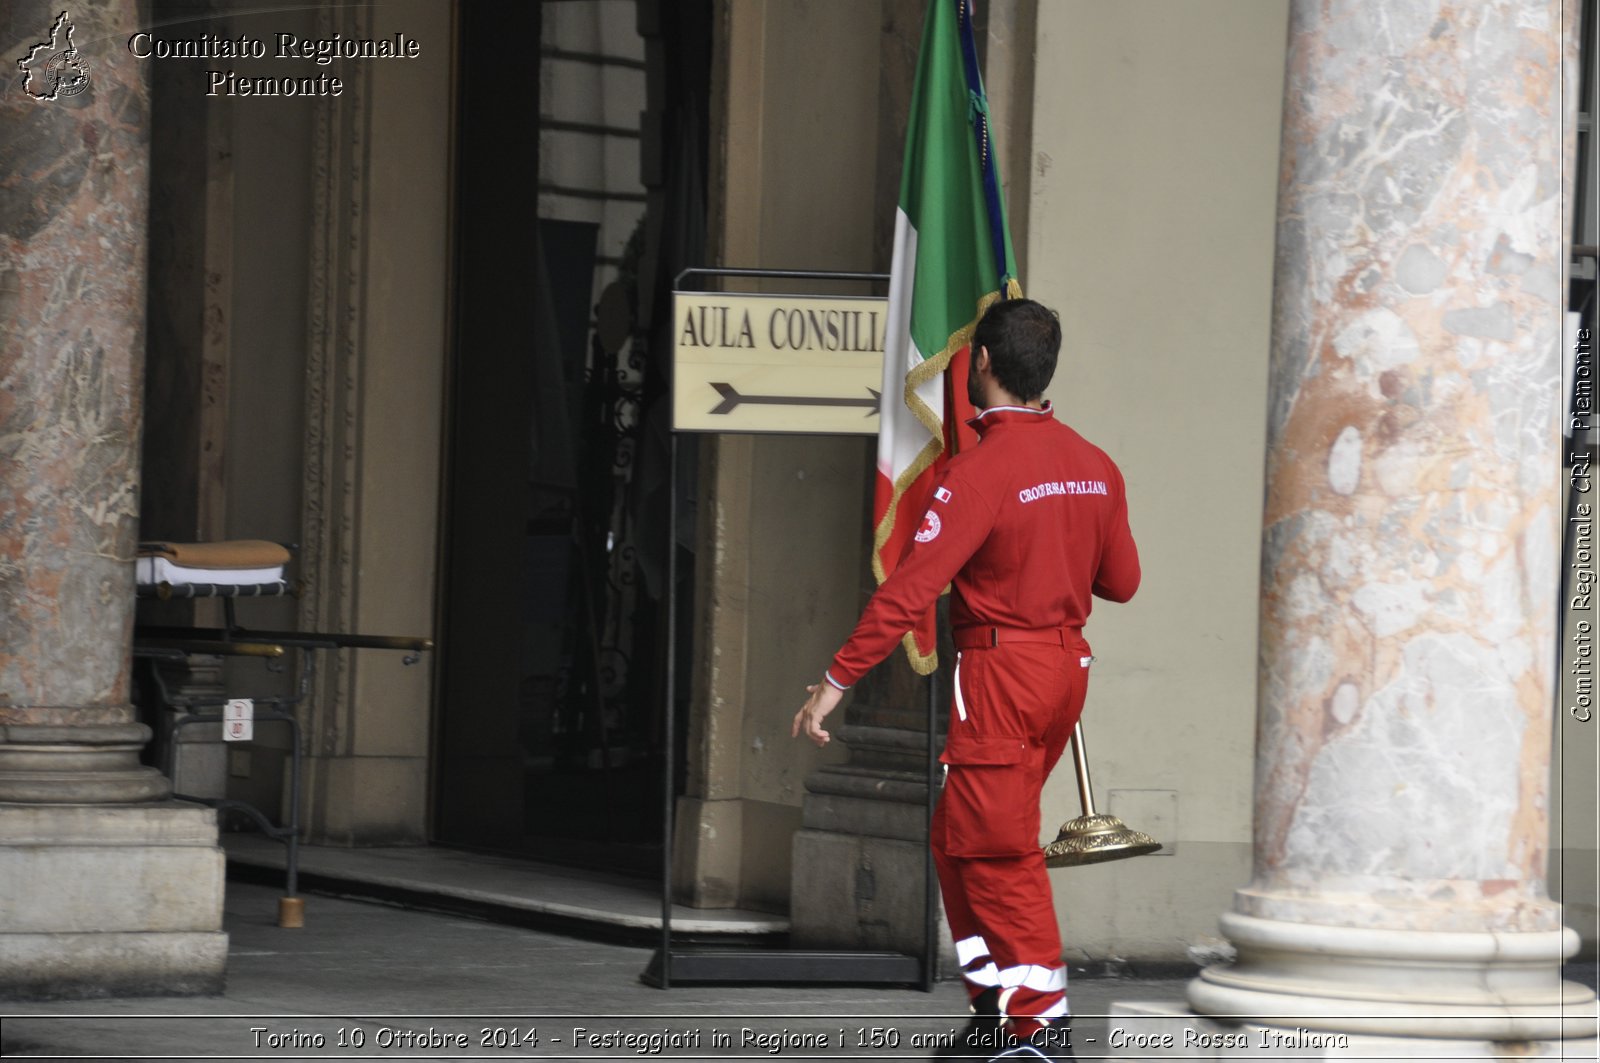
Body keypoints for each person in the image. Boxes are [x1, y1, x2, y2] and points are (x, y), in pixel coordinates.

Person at [792, 297, 1140, 1061]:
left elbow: (911, 588)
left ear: (980, 362)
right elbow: (1123, 581)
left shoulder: (978, 472)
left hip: (1001, 676)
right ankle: (995, 1006)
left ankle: (1040, 1030)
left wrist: (835, 679)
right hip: (1061, 673)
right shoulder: (1094, 463)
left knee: (998, 850)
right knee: (959, 839)